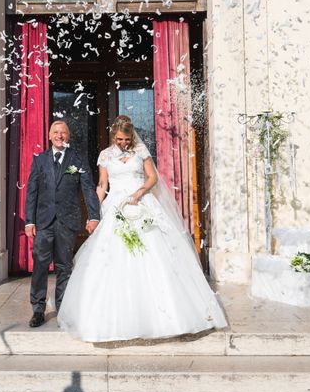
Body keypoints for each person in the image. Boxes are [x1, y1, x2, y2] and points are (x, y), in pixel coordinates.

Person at [57, 116, 228, 342]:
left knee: (154, 253)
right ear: (113, 136)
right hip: (116, 206)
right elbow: (102, 185)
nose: (123, 143)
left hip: (142, 202)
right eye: (119, 139)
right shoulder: (106, 156)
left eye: (127, 139)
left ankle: (166, 317)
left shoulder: (141, 151)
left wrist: (139, 192)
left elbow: (153, 177)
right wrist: (94, 213)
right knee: (111, 258)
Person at [25, 120, 101, 328]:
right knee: (40, 265)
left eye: (63, 132)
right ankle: (38, 309)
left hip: (67, 221)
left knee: (64, 267)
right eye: (56, 132)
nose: (59, 135)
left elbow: (88, 188)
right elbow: (32, 191)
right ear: (49, 136)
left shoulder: (77, 159)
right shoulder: (39, 160)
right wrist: (29, 221)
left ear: (68, 136)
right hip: (44, 221)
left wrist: (94, 216)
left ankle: (63, 310)